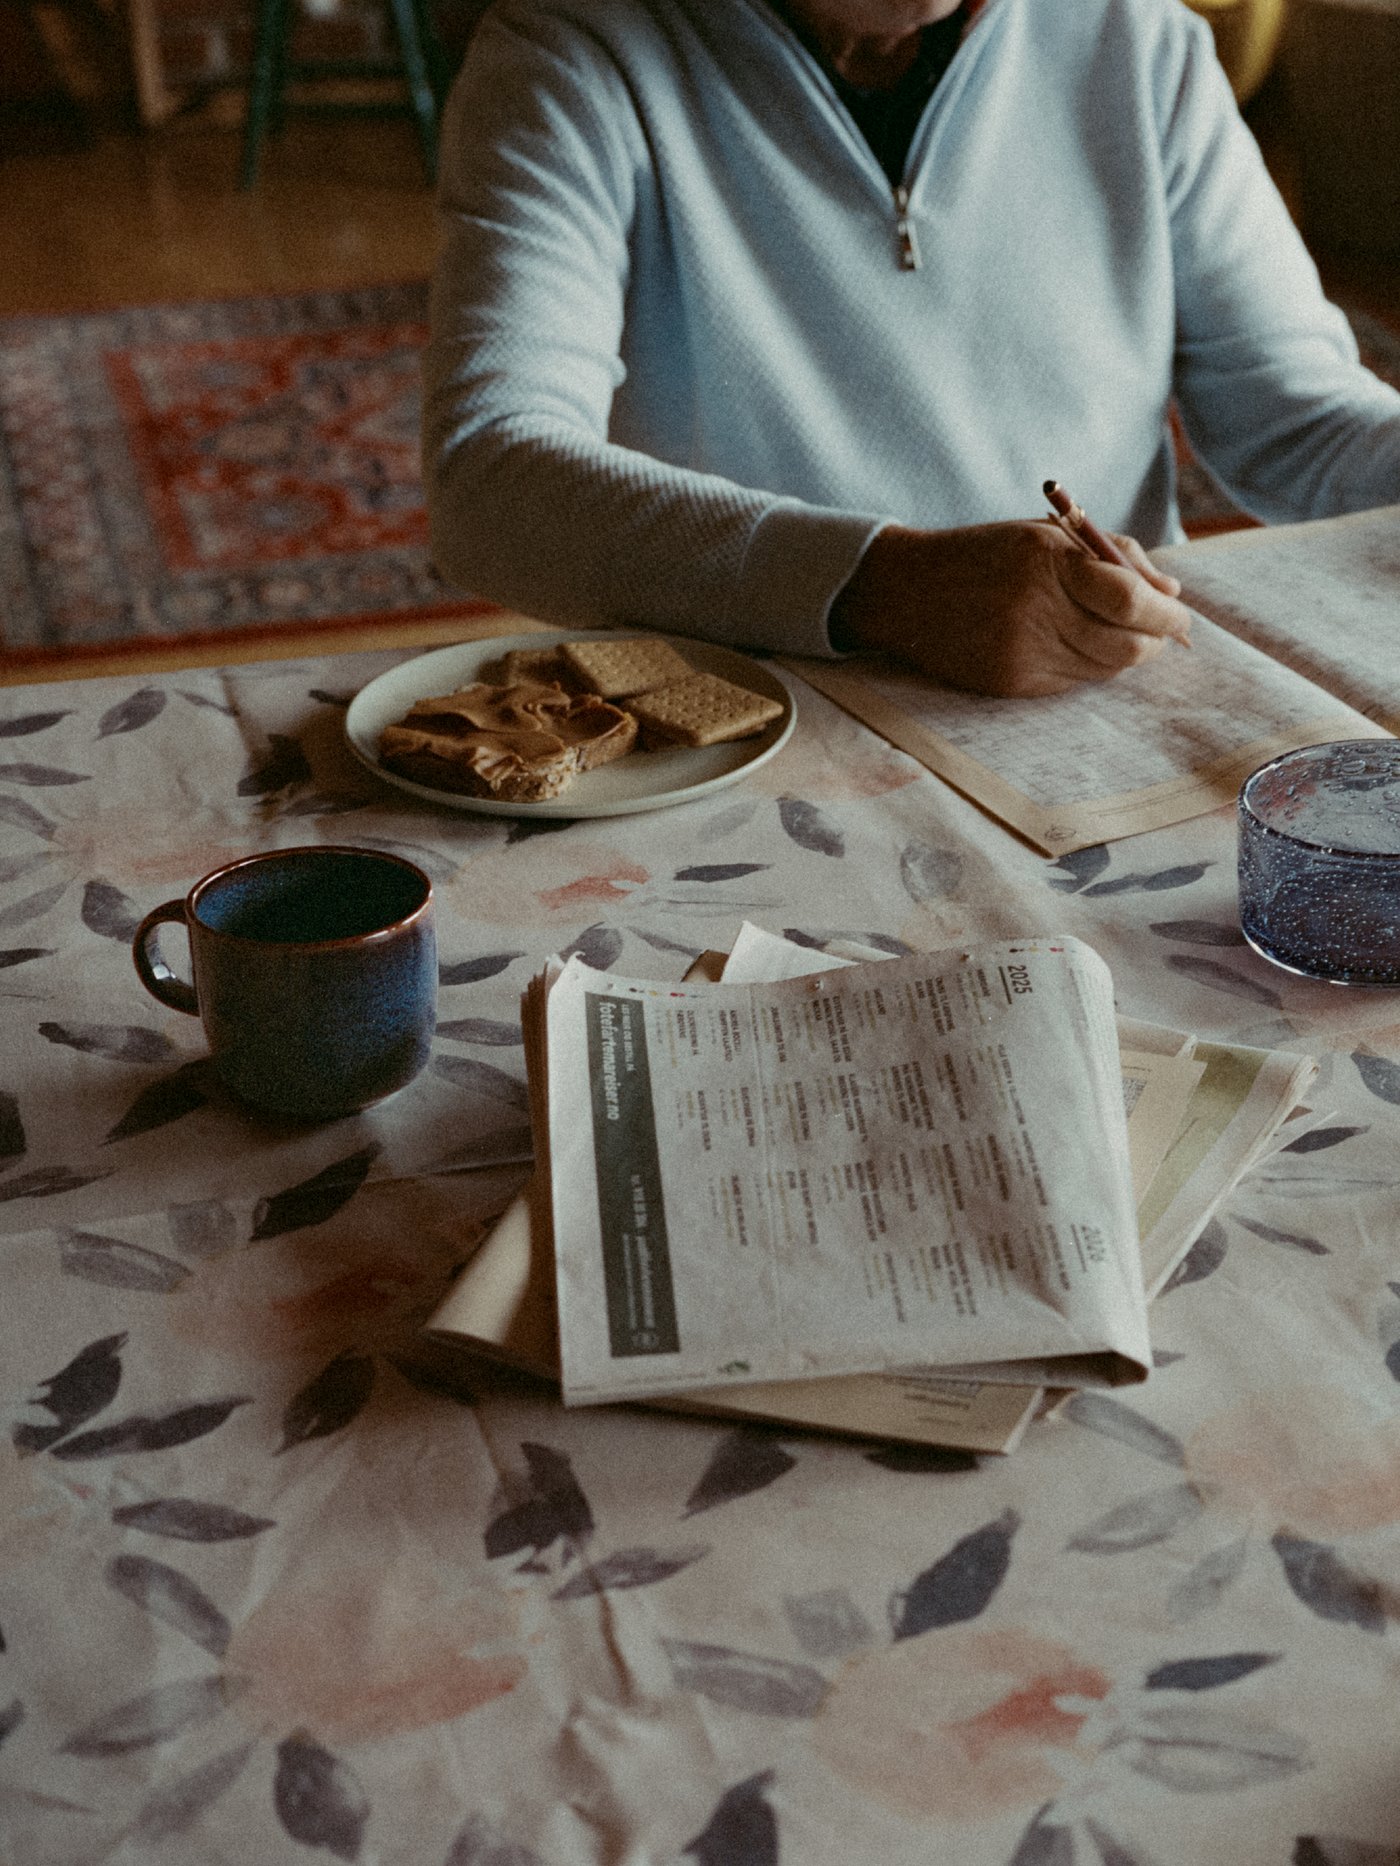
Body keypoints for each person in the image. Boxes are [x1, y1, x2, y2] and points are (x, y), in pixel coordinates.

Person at [422, 0, 1400, 697]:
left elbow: (1297, 423)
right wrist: (887, 587)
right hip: (741, 716)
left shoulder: (1140, 43)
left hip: (1096, 702)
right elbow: (492, 483)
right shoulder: (571, 53)